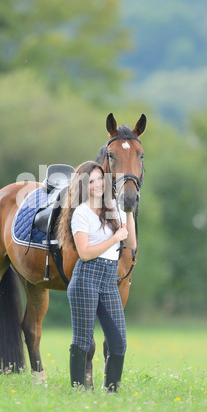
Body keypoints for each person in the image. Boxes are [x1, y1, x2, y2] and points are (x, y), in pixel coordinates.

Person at [58, 161, 136, 392]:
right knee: (82, 340)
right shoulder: (80, 213)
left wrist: (129, 213)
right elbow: (85, 253)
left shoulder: (114, 207)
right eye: (91, 181)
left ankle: (111, 391)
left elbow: (130, 243)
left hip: (109, 280)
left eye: (100, 178)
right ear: (83, 186)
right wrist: (114, 238)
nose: (98, 184)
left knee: (118, 341)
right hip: (86, 279)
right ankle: (78, 389)